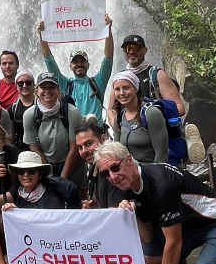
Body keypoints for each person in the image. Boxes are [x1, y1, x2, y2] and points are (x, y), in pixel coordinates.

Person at [107, 35, 205, 164]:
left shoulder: (157, 74)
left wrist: (153, 112)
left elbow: (179, 108)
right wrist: (119, 127)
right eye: (127, 48)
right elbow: (110, 109)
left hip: (154, 131)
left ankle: (183, 140)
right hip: (129, 131)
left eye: (135, 47)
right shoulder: (120, 79)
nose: (131, 51)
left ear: (144, 50)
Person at [37, 14, 114, 120]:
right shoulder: (66, 84)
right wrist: (42, 35)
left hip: (96, 133)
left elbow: (108, 59)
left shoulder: (98, 82)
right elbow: (49, 61)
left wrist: (108, 30)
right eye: (75, 62)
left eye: (82, 61)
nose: (79, 64)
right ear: (70, 66)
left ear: (88, 65)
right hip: (73, 134)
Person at [21, 72, 85, 191]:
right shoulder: (29, 115)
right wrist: (48, 173)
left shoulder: (72, 113)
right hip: (44, 162)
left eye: (52, 87)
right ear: (36, 91)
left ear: (58, 90)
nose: (47, 91)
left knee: (74, 197)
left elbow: (74, 148)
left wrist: (63, 178)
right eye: (43, 87)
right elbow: (34, 147)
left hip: (71, 161)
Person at [112, 71, 170, 164]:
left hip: (150, 173)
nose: (122, 93)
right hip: (129, 174)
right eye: (117, 89)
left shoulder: (151, 113)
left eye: (126, 88)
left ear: (136, 89)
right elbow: (118, 153)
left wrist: (153, 176)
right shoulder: (119, 118)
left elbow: (162, 155)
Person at [75, 119, 124, 209]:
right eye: (80, 147)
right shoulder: (93, 169)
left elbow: (115, 213)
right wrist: (94, 206)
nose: (84, 151)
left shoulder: (114, 169)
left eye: (88, 144)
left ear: (104, 139)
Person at [7, 69, 36, 151]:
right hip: (20, 149)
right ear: (16, 86)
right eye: (20, 83)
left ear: (34, 85)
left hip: (40, 148)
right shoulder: (13, 108)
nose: (24, 86)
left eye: (28, 83)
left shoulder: (41, 105)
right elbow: (11, 135)